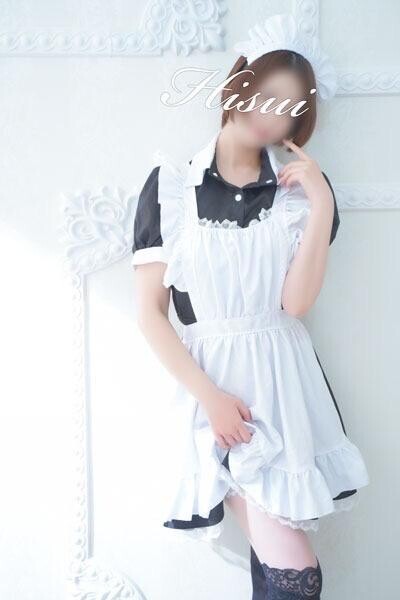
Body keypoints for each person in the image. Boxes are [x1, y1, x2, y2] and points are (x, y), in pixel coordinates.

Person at [131, 13, 370, 599]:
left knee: (278, 570)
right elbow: (150, 314)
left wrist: (319, 203)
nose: (271, 114)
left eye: (289, 108)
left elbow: (295, 304)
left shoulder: (298, 198)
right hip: (213, 394)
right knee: (297, 577)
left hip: (286, 392)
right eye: (265, 94)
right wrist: (212, 400)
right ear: (238, 84)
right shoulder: (171, 187)